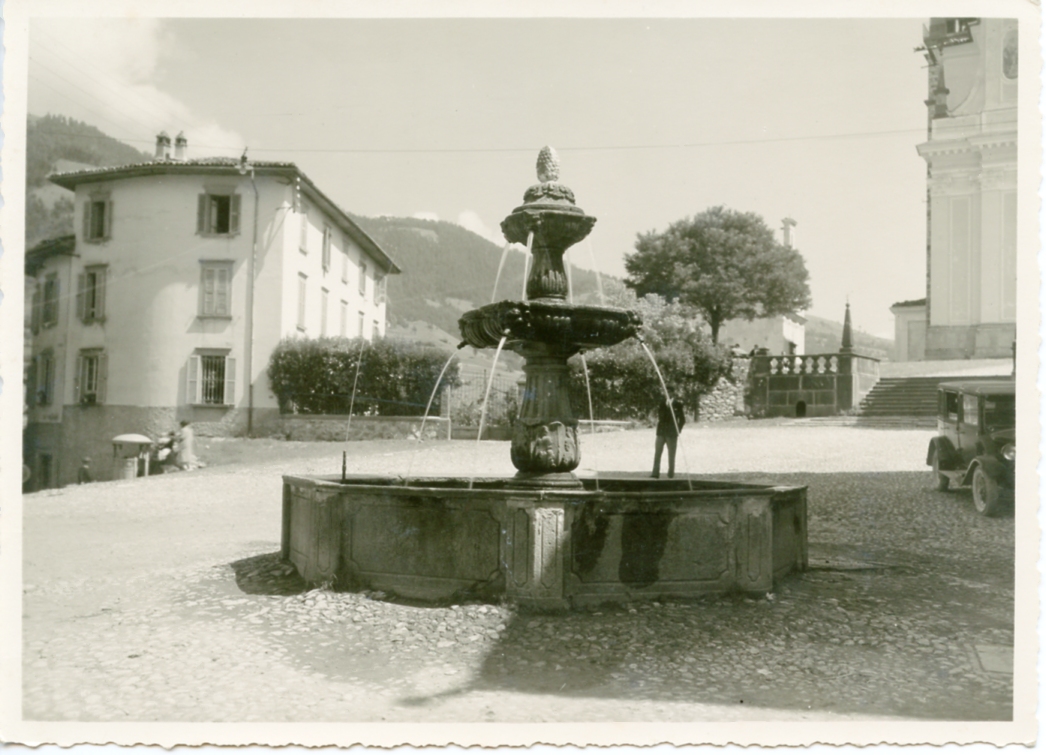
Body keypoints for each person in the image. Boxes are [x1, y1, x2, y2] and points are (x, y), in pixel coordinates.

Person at [651, 394, 686, 479]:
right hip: (661, 432)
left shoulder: (678, 405)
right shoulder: (662, 403)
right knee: (657, 452)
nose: (668, 394)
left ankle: (671, 473)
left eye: (670, 392)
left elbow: (682, 420)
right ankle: (655, 473)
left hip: (671, 433)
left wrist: (678, 430)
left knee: (671, 454)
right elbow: (660, 416)